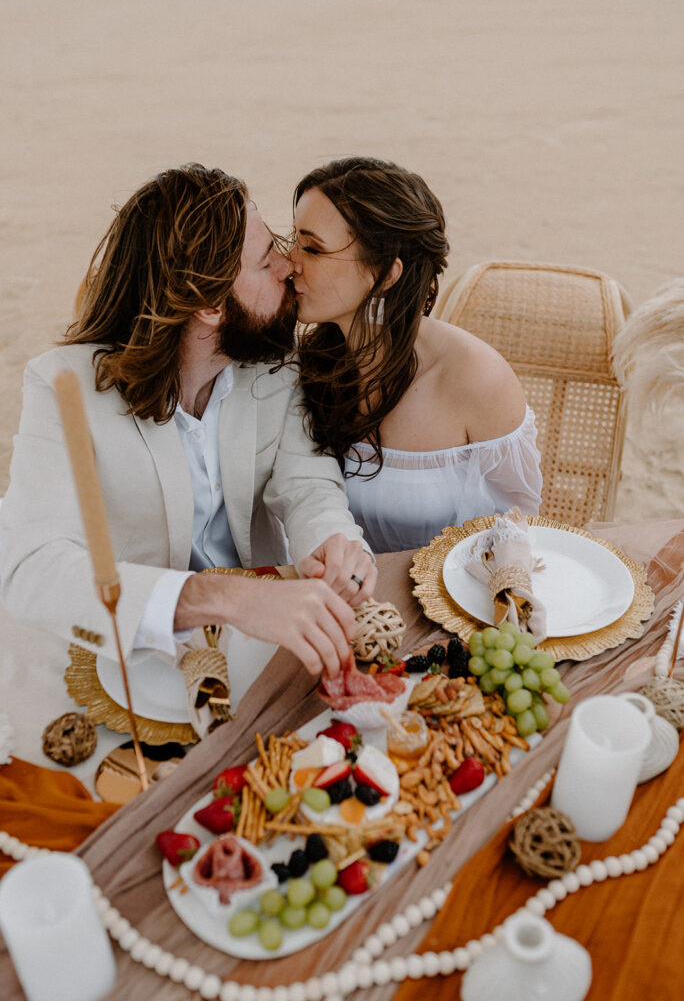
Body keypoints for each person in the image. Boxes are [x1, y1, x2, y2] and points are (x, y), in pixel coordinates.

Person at [0, 163, 377, 680]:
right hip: (126, 667)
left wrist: (334, 545)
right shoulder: (62, 388)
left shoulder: (272, 366)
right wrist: (221, 596)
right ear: (208, 303)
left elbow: (309, 487)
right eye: (267, 260)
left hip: (259, 652)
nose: (289, 266)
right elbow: (29, 570)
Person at [289, 157, 543, 553]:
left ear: (385, 274)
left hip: (446, 603)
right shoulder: (303, 366)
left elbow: (517, 525)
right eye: (293, 240)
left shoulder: (476, 379)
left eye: (312, 248)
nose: (291, 263)